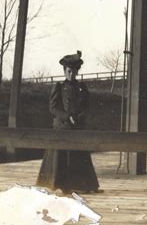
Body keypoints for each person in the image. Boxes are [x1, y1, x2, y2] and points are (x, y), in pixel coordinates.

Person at [37, 50, 101, 193]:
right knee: (59, 159)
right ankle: (58, 184)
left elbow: (87, 106)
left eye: (74, 72)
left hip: (77, 127)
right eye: (69, 71)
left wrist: (78, 117)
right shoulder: (59, 87)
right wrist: (67, 117)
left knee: (79, 157)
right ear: (65, 71)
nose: (71, 74)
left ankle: (83, 185)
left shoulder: (82, 88)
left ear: (77, 72)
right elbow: (53, 108)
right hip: (62, 128)